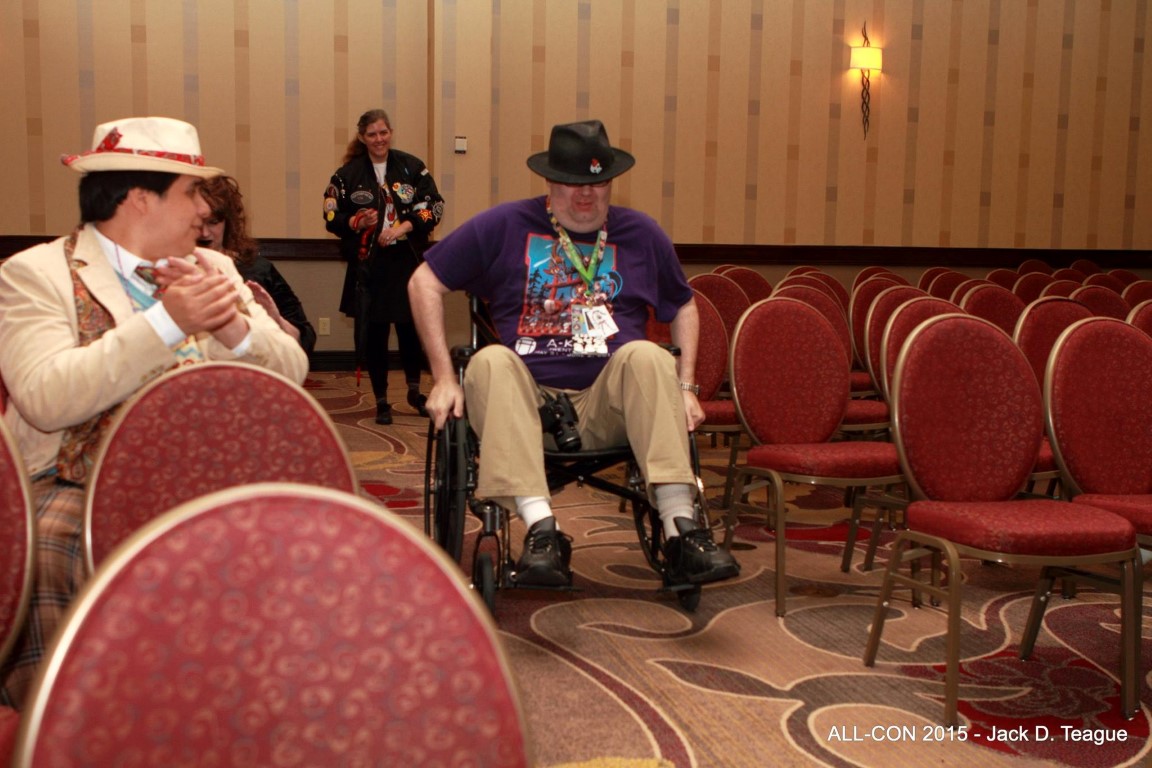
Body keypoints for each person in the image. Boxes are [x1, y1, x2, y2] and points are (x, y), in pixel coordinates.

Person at [0, 116, 309, 707]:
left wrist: (233, 326)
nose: (205, 209)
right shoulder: (35, 274)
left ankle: (245, 713)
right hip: (76, 480)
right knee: (51, 549)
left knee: (309, 546)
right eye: (191, 191)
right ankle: (69, 722)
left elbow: (291, 373)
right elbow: (44, 397)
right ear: (140, 198)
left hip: (216, 478)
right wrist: (167, 323)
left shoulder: (216, 268)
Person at [409, 119, 739, 587]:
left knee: (648, 356)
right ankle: (542, 531)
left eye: (597, 183)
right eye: (571, 183)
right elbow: (423, 282)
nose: (585, 194)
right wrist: (444, 378)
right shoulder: (504, 225)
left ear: (611, 182)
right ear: (549, 181)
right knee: (489, 361)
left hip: (613, 404)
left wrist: (685, 387)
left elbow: (683, 303)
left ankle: (681, 529)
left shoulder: (642, 233)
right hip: (528, 404)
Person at [324, 109, 444, 425]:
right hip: (370, 266)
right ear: (362, 137)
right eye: (372, 134)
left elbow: (434, 207)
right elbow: (331, 216)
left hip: (407, 262)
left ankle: (415, 392)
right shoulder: (346, 175)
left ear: (390, 132)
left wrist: (405, 226)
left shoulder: (412, 167)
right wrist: (356, 221)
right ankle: (381, 400)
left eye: (384, 133)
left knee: (410, 329)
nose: (379, 139)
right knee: (374, 333)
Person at [198, 174, 317, 354]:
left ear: (228, 223)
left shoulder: (257, 269)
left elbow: (305, 339)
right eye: (197, 223)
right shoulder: (166, 268)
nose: (204, 233)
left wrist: (276, 321)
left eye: (213, 222)